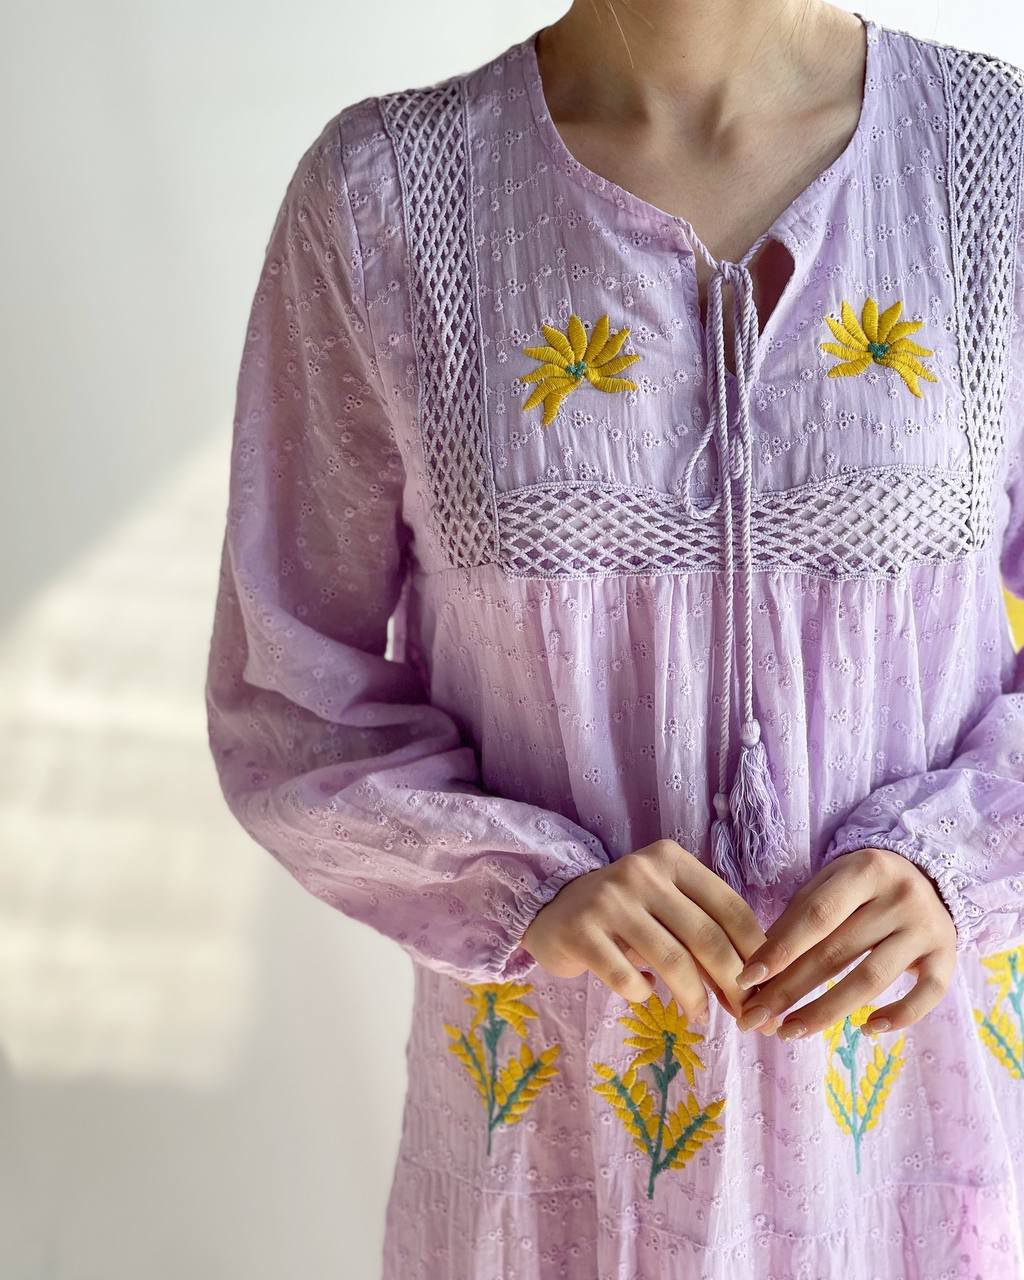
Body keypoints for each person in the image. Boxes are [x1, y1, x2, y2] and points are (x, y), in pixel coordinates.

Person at [204, 0, 1024, 1273]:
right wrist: (521, 881)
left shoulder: (994, 164)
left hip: (910, 1134)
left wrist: (960, 858)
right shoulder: (383, 199)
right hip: (561, 1145)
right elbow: (287, 691)